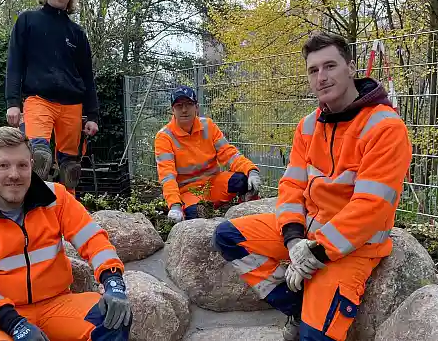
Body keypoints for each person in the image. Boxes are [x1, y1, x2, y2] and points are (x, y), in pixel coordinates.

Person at [212, 32, 412, 341]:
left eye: (330, 66)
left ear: (351, 68)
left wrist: (315, 253)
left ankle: (309, 318)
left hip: (353, 248)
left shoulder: (385, 127)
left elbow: (370, 209)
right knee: (228, 236)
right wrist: (293, 240)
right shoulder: (308, 125)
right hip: (307, 234)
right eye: (313, 70)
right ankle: (298, 306)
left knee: (313, 338)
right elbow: (291, 186)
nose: (322, 77)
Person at [0, 126, 131, 341]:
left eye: (22, 165)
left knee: (114, 319)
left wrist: (114, 283)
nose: (14, 174)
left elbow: (94, 241)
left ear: (32, 165)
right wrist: (15, 325)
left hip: (57, 304)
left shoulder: (57, 198)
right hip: (0, 318)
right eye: (3, 165)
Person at [4, 0, 98, 193]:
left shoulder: (77, 33)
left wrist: (93, 115)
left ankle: (68, 217)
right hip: (39, 99)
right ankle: (34, 211)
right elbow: (14, 63)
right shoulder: (27, 21)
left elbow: (87, 75)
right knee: (38, 156)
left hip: (72, 105)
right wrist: (13, 103)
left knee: (71, 169)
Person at [154, 85, 262, 222]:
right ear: (172, 110)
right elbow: (167, 175)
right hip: (189, 192)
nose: (184, 109)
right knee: (195, 216)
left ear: (196, 107)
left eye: (189, 104)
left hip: (213, 184)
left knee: (244, 180)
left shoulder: (208, 126)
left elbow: (229, 154)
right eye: (179, 105)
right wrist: (175, 205)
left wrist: (251, 170)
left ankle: (250, 217)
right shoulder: (164, 137)